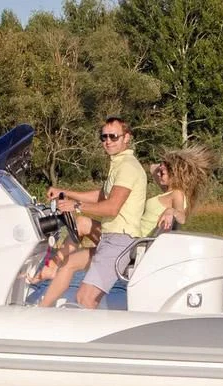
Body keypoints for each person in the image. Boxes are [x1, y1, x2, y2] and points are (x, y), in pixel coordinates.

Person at [38, 116, 149, 309]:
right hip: (109, 237)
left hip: (120, 240)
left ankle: (90, 338)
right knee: (70, 262)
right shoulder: (118, 164)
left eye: (113, 137)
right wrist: (65, 192)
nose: (108, 141)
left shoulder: (128, 167)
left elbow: (112, 207)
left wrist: (76, 206)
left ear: (126, 138)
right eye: (104, 137)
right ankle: (41, 312)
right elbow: (103, 195)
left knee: (84, 297)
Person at [139, 146, 213, 235]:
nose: (158, 174)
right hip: (139, 237)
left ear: (174, 175)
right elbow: (153, 168)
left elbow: (182, 217)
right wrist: (167, 164)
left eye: (162, 173)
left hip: (141, 240)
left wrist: (171, 211)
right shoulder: (168, 191)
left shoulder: (177, 193)